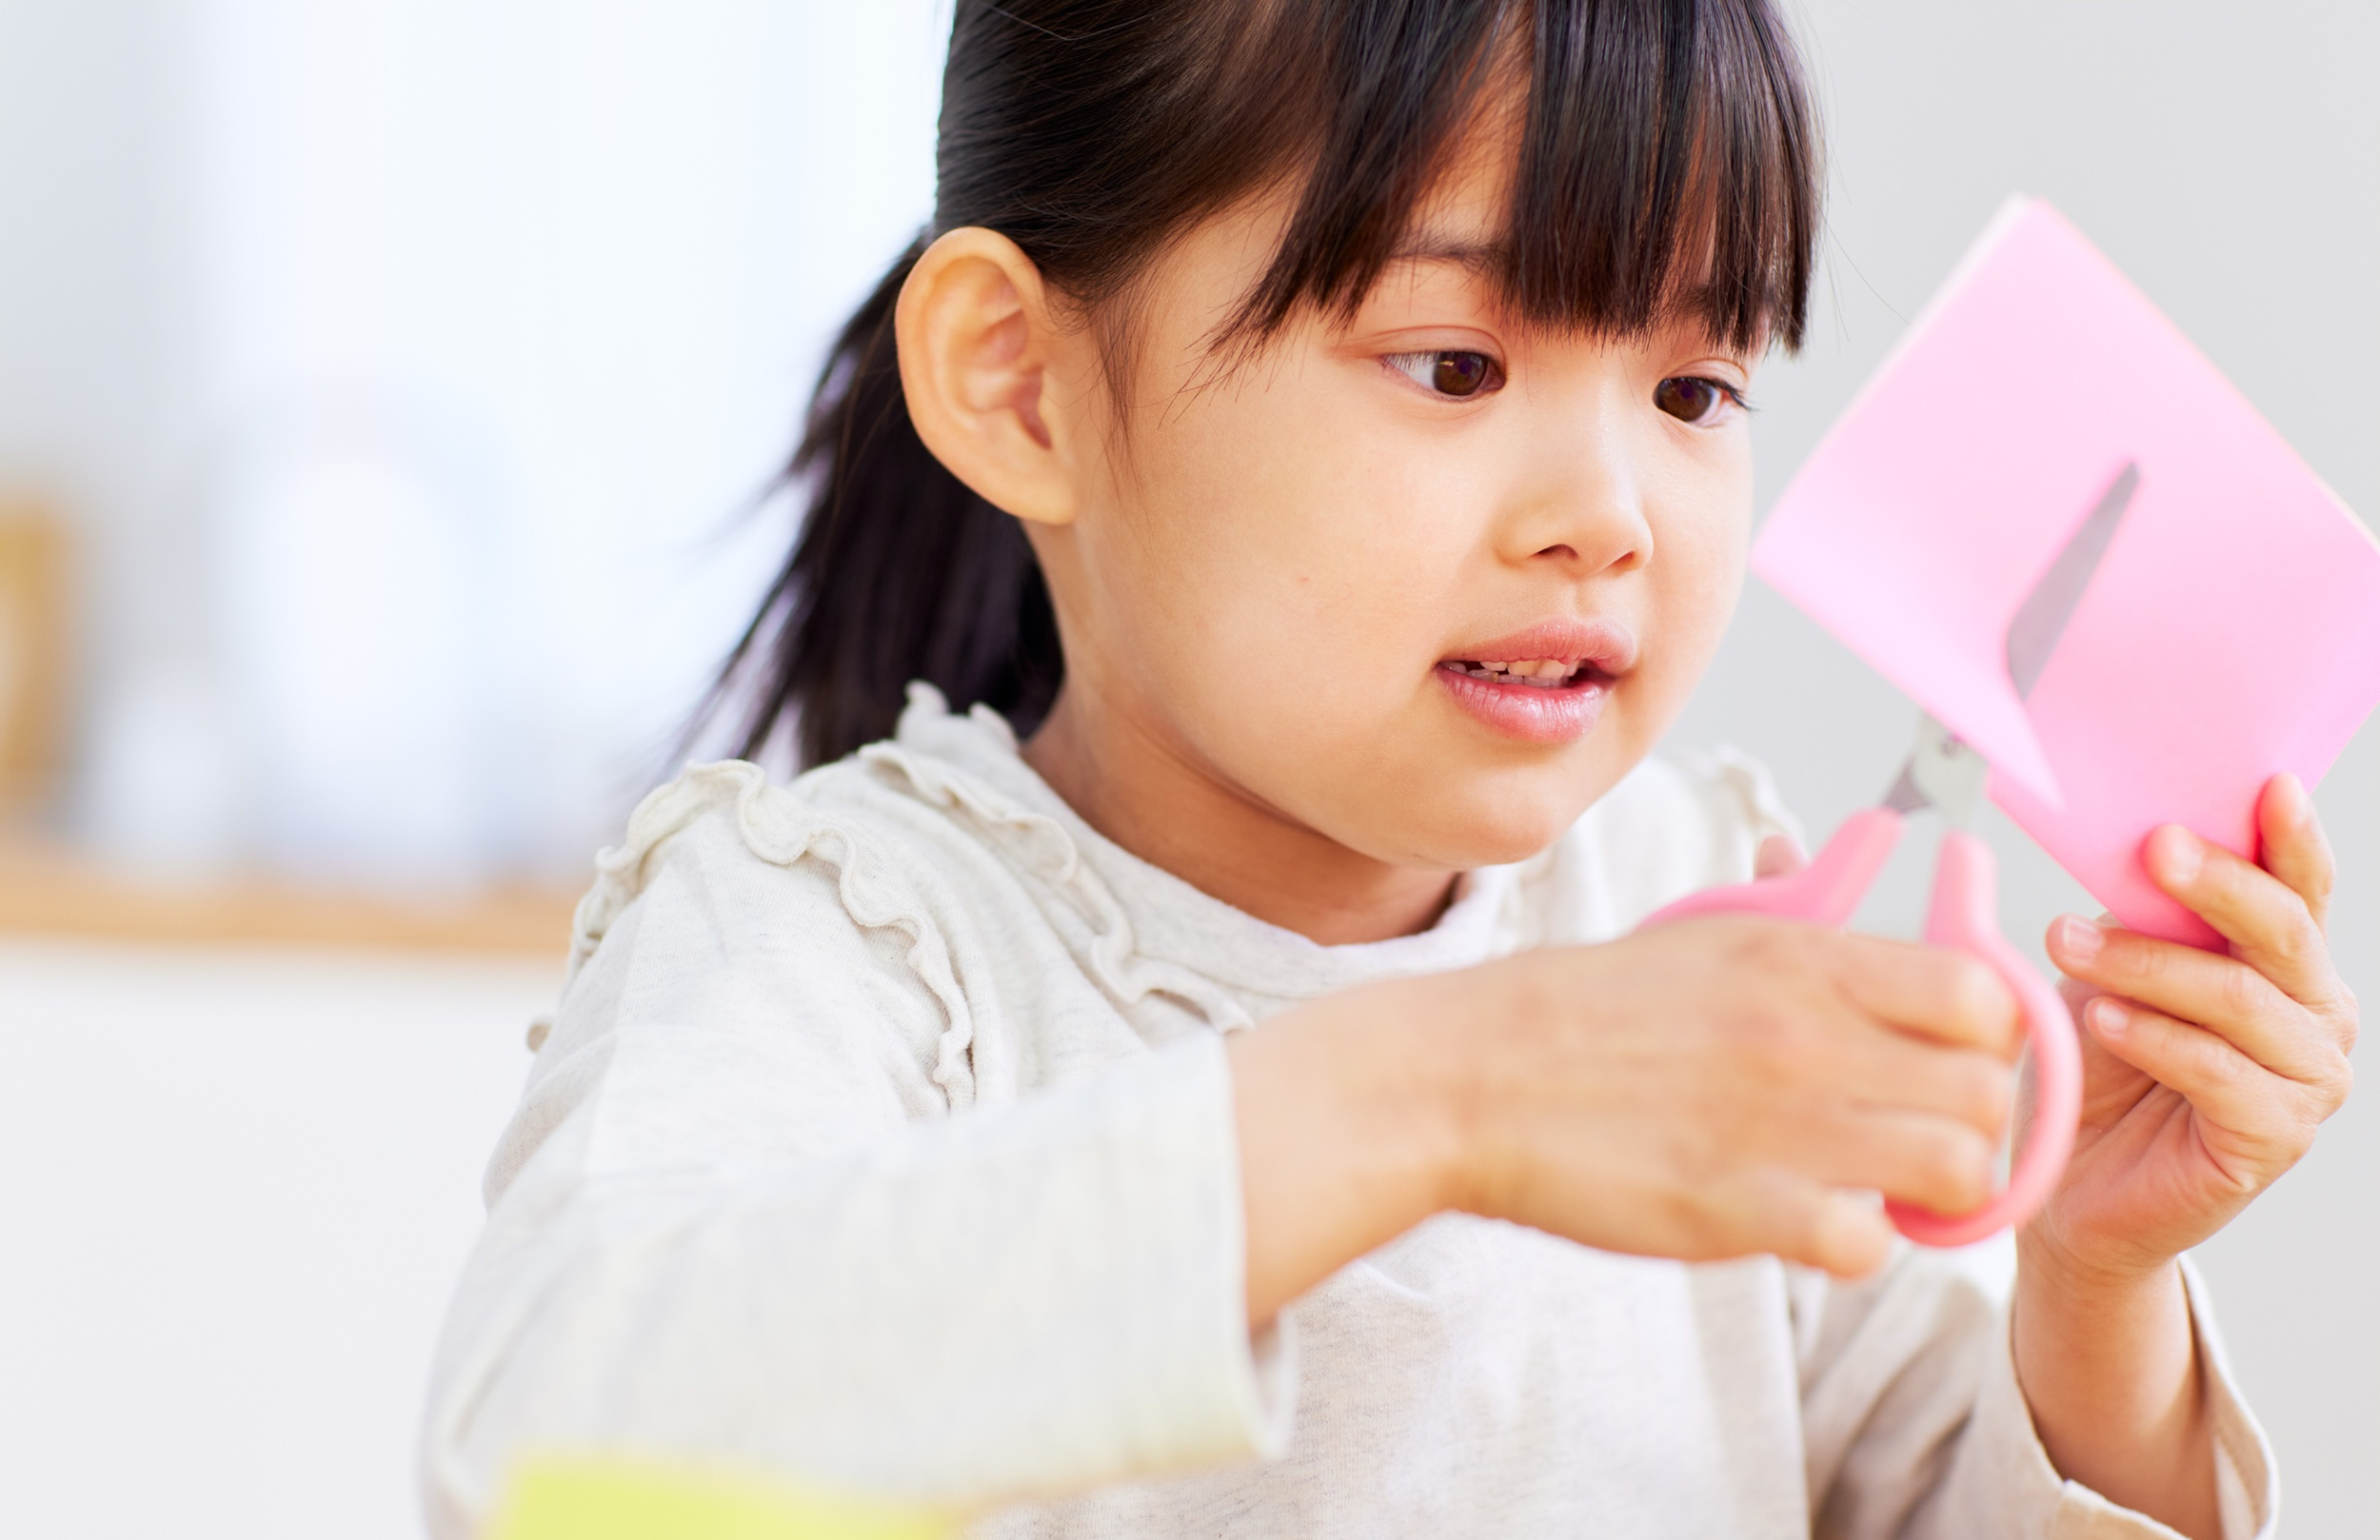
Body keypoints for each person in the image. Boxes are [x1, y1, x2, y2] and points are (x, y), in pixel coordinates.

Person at [422, 3, 2355, 1536]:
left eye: (1689, 388)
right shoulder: (845, 940)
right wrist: (1446, 1081)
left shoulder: (1687, 895)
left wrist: (2090, 1282)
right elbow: (544, 1468)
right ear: (1019, 381)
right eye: (1450, 364)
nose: (1605, 514)